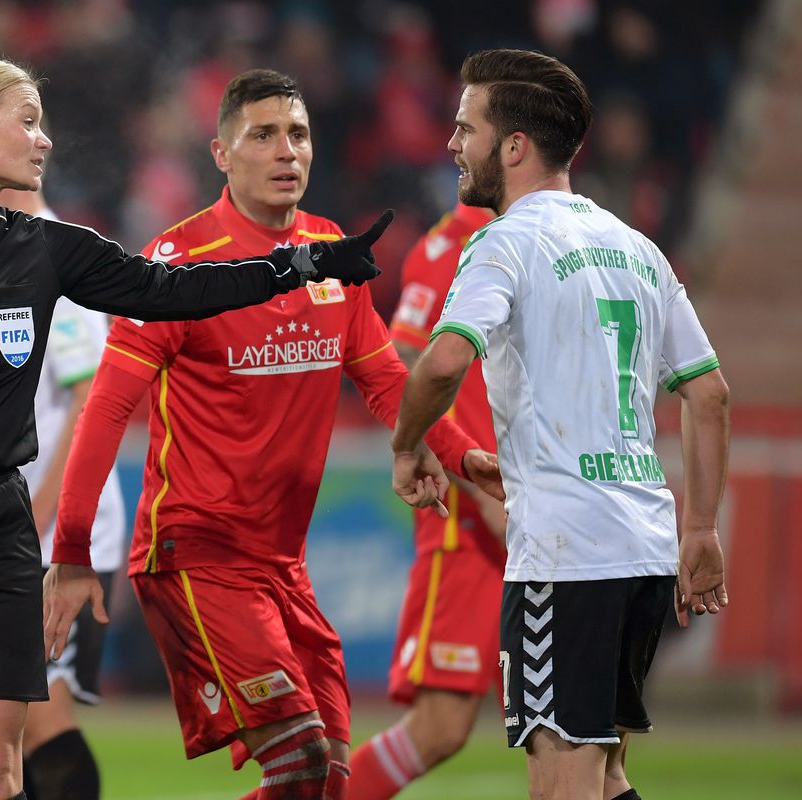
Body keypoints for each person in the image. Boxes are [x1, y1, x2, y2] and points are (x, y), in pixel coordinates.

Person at [0, 55, 392, 800]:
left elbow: (172, 290)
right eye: (27, 121)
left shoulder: (47, 247)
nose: (44, 139)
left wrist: (299, 264)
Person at [41, 69, 502, 800]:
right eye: (263, 135)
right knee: (301, 759)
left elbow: (387, 381)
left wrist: (463, 457)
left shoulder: (330, 254)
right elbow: (104, 408)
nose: (287, 150)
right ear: (222, 154)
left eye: (298, 134)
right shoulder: (176, 266)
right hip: (193, 553)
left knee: (330, 780)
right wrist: (70, 551)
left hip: (282, 564)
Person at [390, 49, 730, 800]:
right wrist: (701, 528)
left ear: (514, 146)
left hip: (565, 558)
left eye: (467, 128)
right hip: (644, 550)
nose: (452, 143)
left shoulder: (503, 242)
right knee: (606, 777)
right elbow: (708, 393)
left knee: (561, 784)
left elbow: (442, 364)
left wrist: (409, 445)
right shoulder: (637, 248)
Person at [347, 201, 504, 799]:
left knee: (582, 727)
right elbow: (405, 360)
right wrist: (472, 486)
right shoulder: (449, 246)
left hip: (541, 508)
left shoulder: (545, 232)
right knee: (441, 726)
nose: (458, 155)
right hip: (471, 518)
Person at [0, 185, 125, 800]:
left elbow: (90, 396)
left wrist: (38, 516)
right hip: (29, 527)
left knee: (40, 721)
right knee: (3, 728)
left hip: (59, 535)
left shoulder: (50, 256)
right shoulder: (7, 251)